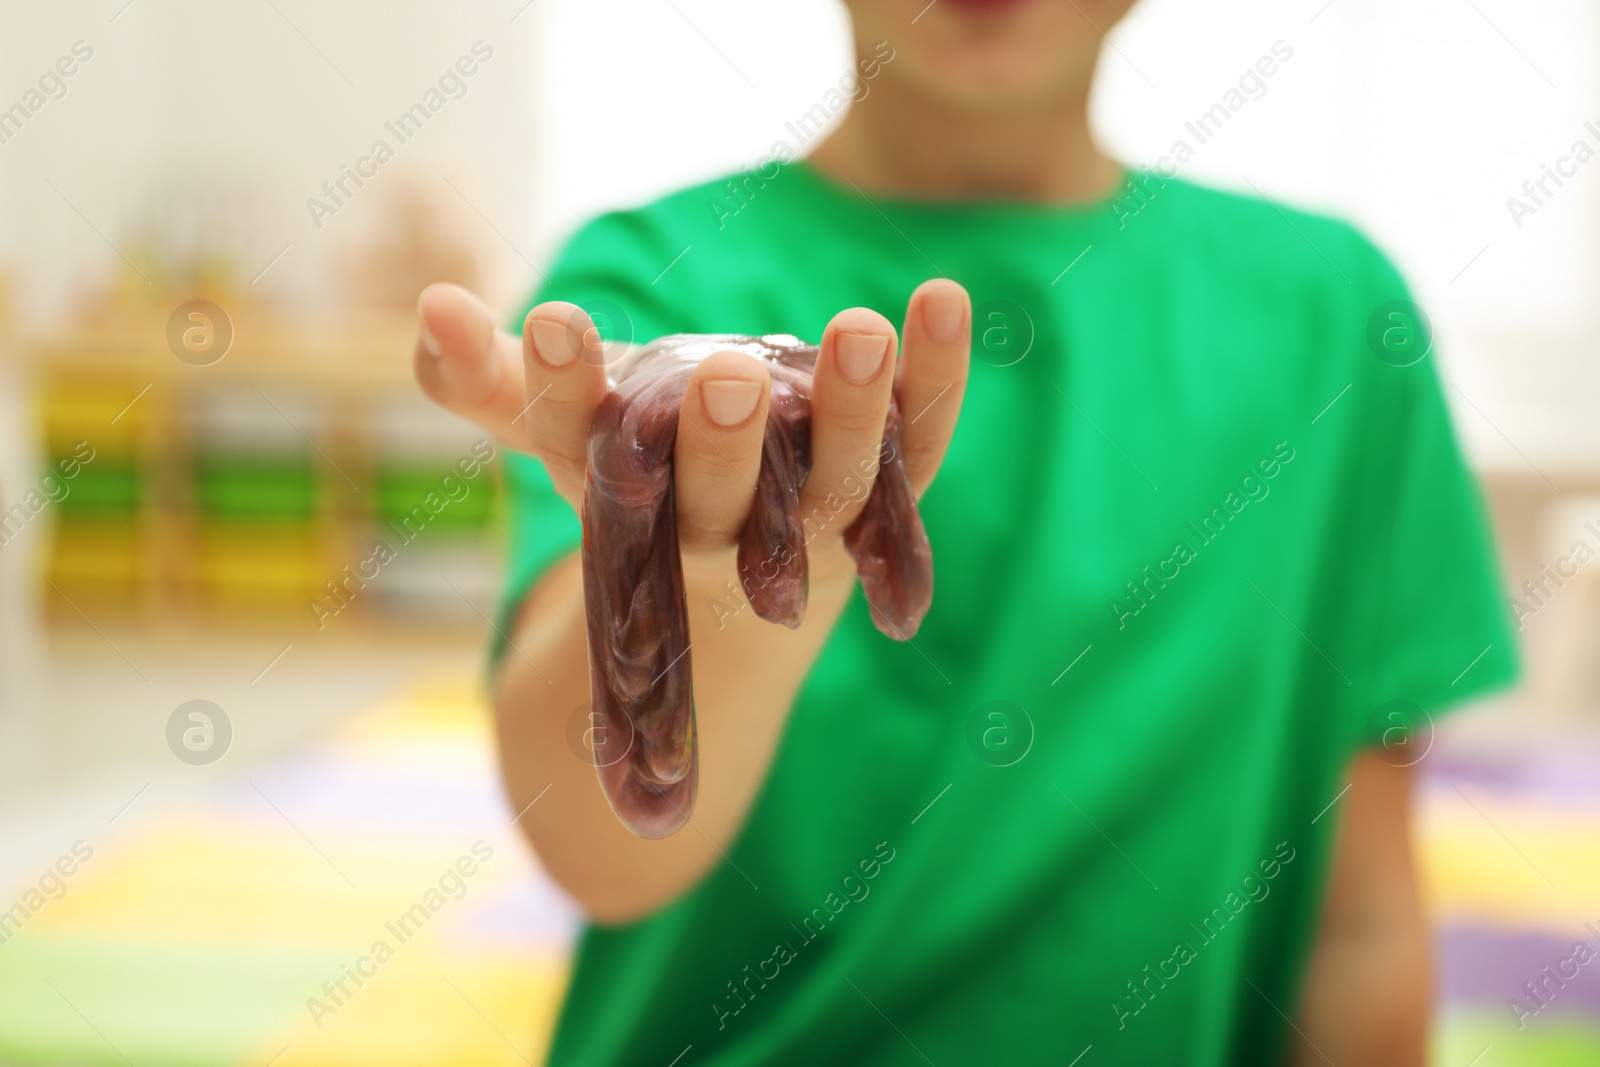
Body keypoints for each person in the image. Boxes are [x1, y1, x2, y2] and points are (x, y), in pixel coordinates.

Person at [413, 1, 1516, 1062]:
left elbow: (1362, 921)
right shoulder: (640, 285)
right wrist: (708, 590)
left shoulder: (1333, 321)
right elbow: (598, 852)